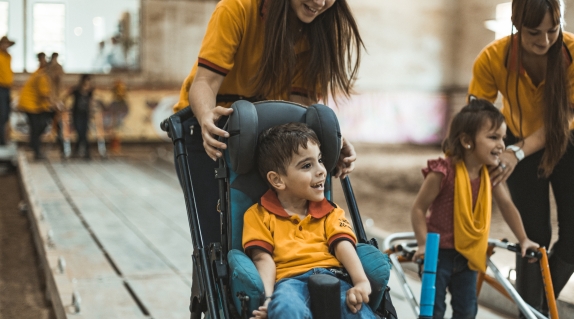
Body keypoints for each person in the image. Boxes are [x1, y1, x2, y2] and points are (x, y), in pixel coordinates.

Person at [174, 1, 363, 314]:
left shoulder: (318, 26)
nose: (320, 2)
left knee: (282, 227)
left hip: (272, 130)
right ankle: (226, 306)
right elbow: (205, 81)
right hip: (215, 127)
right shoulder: (237, 9)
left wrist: (332, 142)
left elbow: (301, 103)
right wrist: (206, 118)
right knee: (218, 246)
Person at [468, 0, 574, 313]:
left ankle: (535, 304)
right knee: (533, 236)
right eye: (533, 33)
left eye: (552, 31)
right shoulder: (492, 58)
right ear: (516, 24)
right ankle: (531, 309)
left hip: (567, 139)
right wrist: (489, 155)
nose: (544, 41)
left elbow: (560, 123)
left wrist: (518, 151)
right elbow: (476, 116)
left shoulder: (571, 53)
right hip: (515, 140)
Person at [410, 98, 539, 319]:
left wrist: (524, 238)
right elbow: (418, 209)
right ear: (467, 141)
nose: (501, 145)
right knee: (433, 311)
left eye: (503, 138)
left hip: (469, 255)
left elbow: (507, 206)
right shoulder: (443, 172)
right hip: (438, 255)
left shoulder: (489, 174)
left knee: (467, 311)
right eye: (493, 137)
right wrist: (423, 245)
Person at [243, 122, 376, 319]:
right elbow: (263, 259)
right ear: (278, 180)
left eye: (320, 160)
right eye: (307, 165)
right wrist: (268, 299)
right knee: (285, 309)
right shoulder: (258, 215)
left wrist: (361, 282)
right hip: (289, 282)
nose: (322, 170)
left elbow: (344, 246)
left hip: (333, 278)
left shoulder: (330, 212)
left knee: (356, 311)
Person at [18, 52, 56, 160]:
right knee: (36, 127)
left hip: (34, 105)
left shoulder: (42, 75)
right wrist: (53, 105)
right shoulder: (42, 76)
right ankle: (36, 151)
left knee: (37, 127)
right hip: (29, 104)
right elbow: (44, 94)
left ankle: (34, 146)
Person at [64, 74, 94, 158]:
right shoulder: (76, 90)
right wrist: (64, 105)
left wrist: (91, 112)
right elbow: (66, 95)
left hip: (85, 114)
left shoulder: (90, 91)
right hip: (76, 114)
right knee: (79, 132)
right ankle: (83, 151)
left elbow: (90, 102)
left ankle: (81, 151)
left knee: (83, 133)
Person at [0, 36, 15, 145]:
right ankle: (1, 141)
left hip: (7, 88)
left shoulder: (8, 57)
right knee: (2, 114)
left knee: (6, 115)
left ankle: (3, 139)